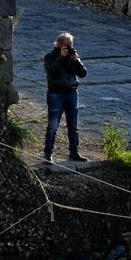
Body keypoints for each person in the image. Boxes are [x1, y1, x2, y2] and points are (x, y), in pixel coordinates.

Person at [43, 32, 88, 163]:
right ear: (59, 45)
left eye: (71, 45)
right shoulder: (50, 57)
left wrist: (76, 60)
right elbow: (51, 71)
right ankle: (48, 153)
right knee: (53, 125)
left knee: (73, 125)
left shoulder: (72, 57)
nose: (69, 48)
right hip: (56, 94)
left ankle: (74, 152)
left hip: (72, 93)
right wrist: (61, 58)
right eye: (67, 46)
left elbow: (83, 73)